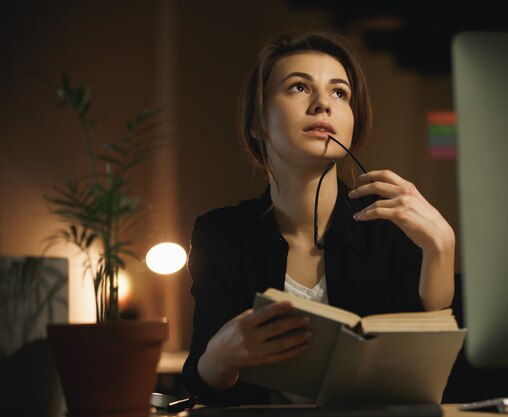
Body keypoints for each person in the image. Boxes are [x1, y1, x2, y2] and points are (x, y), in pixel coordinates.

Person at [182, 29, 455, 406]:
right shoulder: (221, 234)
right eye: (298, 87)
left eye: (339, 92)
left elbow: (436, 377)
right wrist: (221, 356)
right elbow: (201, 382)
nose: (323, 104)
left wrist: (441, 247)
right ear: (258, 121)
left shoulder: (391, 229)